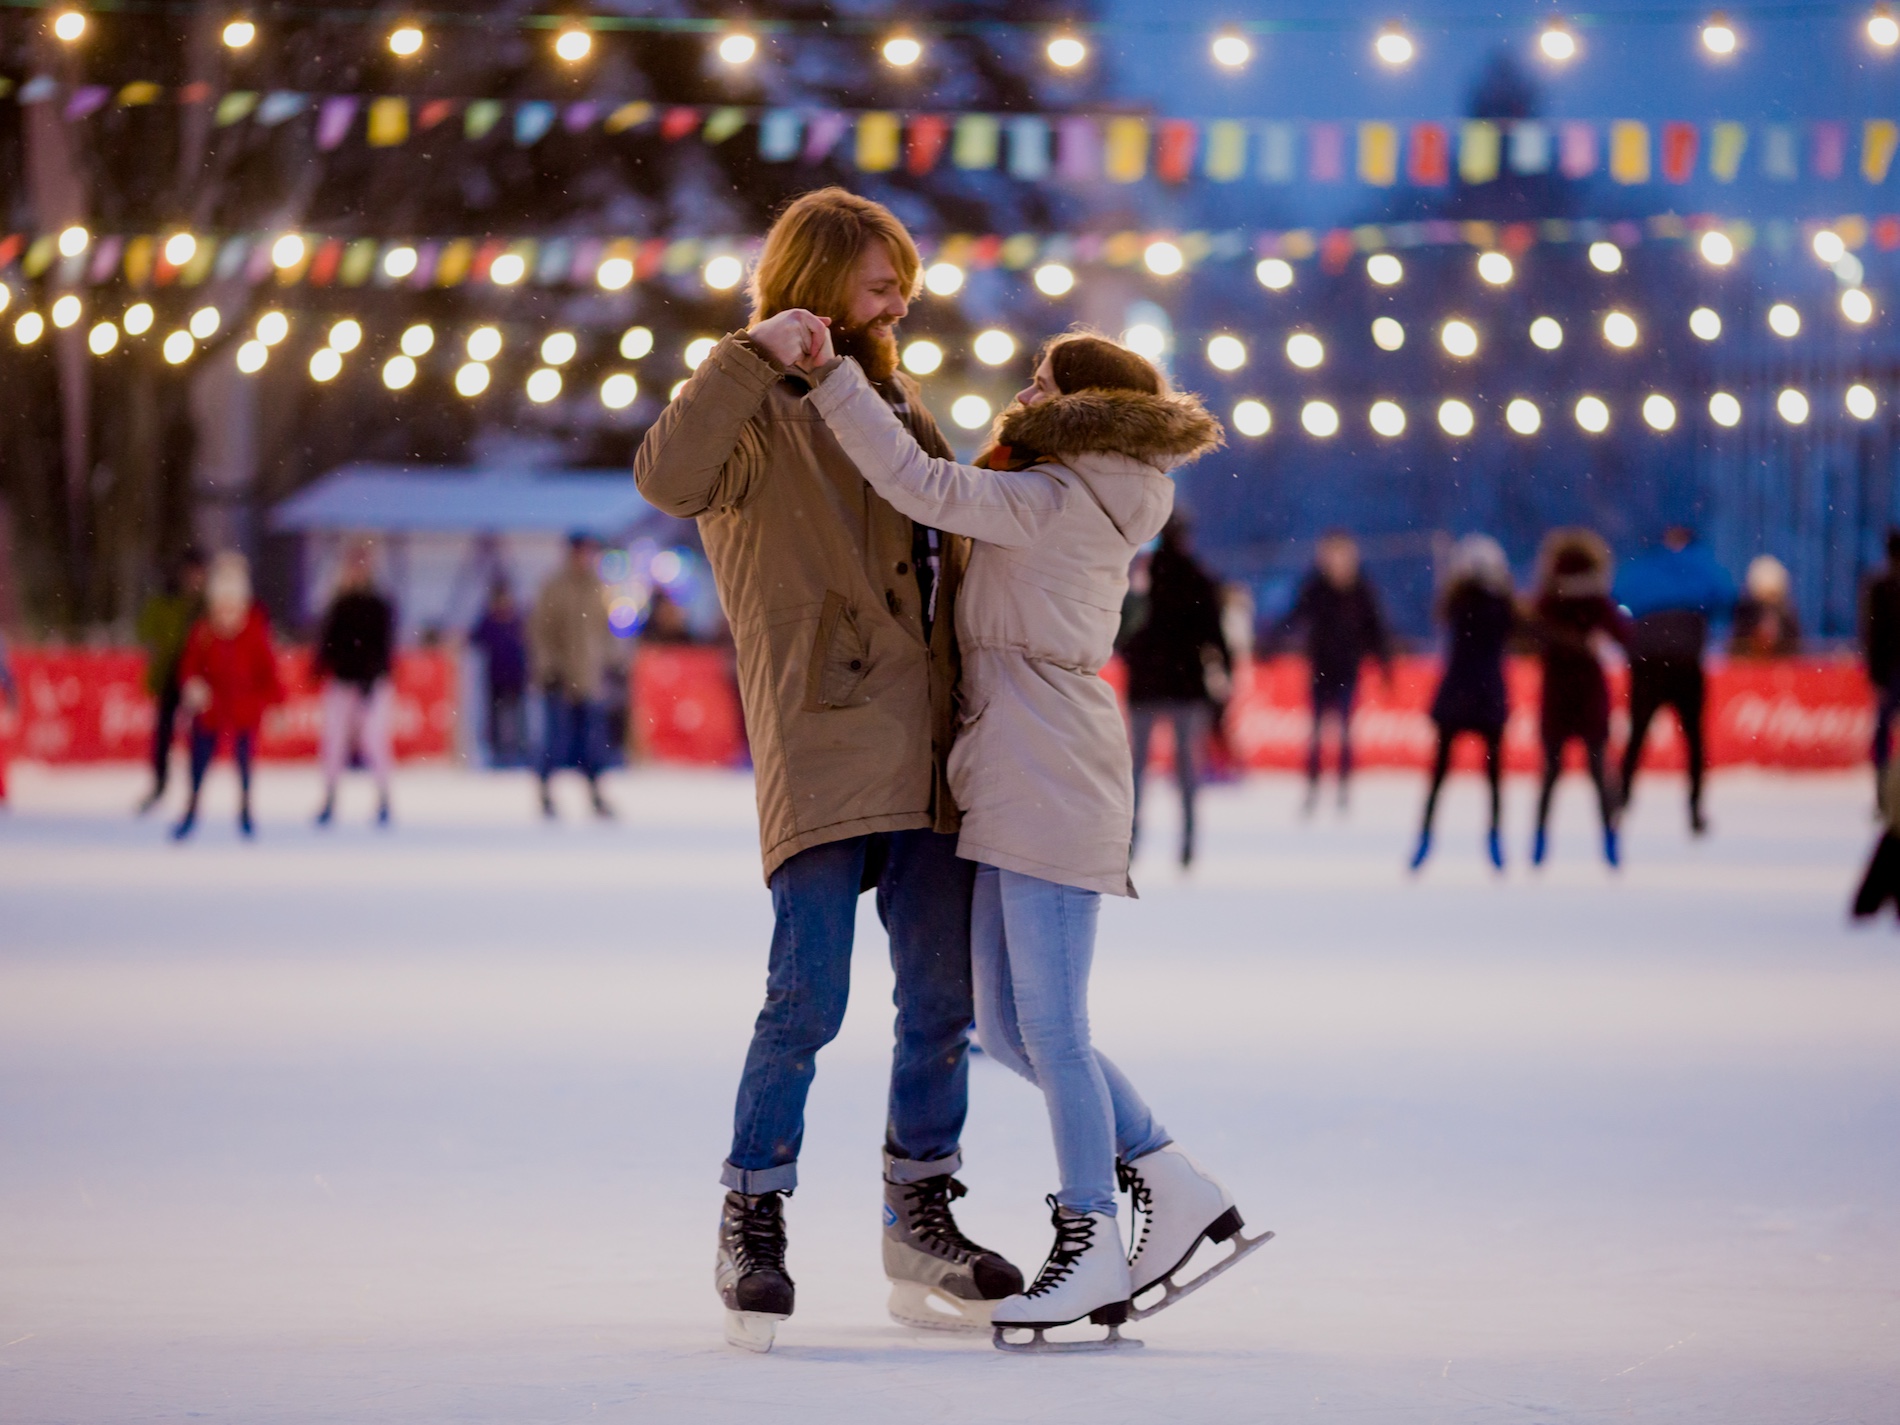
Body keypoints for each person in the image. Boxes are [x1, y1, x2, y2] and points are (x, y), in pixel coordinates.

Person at [804, 322, 1255, 1346]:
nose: (1020, 392)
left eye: (1042, 383)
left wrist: (831, 378)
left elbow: (920, 484)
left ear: (1080, 408)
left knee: (1050, 1027)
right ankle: (1171, 1181)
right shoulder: (1069, 486)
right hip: (1021, 761)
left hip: (1048, 768)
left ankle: (1091, 1233)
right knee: (1006, 1029)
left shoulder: (1054, 499)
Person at [634, 188, 1022, 1350]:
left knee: (941, 1003)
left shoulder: (895, 399)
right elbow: (665, 476)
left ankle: (921, 1216)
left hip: (926, 741)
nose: (900, 298)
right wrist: (746, 355)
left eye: (902, 277)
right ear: (813, 277)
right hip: (821, 728)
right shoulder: (750, 411)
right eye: (880, 278)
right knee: (807, 998)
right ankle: (752, 1214)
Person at [1120, 516, 1231, 867]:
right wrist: (1225, 677)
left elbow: (1121, 630)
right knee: (1186, 770)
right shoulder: (1199, 578)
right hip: (1187, 686)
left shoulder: (1142, 579)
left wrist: (1138, 658)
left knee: (1137, 769)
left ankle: (1131, 840)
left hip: (1146, 686)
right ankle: (1188, 840)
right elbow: (1216, 635)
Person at [1614, 527, 1737, 836]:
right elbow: (1726, 598)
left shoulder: (1643, 566)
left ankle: (1621, 802)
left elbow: (1617, 596)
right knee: (1694, 740)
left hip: (1647, 660)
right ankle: (1695, 811)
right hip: (1685, 660)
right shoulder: (1701, 565)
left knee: (1637, 735)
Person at [1411, 535, 1517, 872]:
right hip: (1485, 697)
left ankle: (1426, 839)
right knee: (1492, 778)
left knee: (1441, 776)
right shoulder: (1498, 606)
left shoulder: (1458, 603)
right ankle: (1494, 840)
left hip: (1458, 696)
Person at [1528, 529, 1629, 868]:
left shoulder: (1548, 600)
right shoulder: (1597, 601)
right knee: (1599, 770)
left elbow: (1529, 635)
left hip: (1557, 691)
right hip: (1588, 691)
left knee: (1551, 772)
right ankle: (1610, 840)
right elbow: (1625, 634)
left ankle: (1540, 841)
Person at [1276, 532, 1393, 813]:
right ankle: (1313, 787)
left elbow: (1375, 628)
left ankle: (1343, 788)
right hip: (1321, 669)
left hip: (1347, 669)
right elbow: (1296, 615)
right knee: (1316, 733)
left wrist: (1384, 662)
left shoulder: (1361, 589)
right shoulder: (1316, 587)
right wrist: (1274, 639)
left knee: (1344, 732)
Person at [172, 551, 281, 841]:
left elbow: (267, 670)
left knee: (244, 760)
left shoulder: (254, 630)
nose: (227, 613)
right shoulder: (204, 631)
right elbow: (190, 665)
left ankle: (245, 808)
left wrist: (276, 702)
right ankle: (192, 807)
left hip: (244, 708)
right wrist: (193, 686)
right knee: (199, 760)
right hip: (210, 710)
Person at [530, 534, 615, 820]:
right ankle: (545, 792)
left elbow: (604, 631)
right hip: (561, 679)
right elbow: (541, 632)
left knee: (592, 743)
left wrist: (612, 662)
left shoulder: (596, 587)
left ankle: (595, 794)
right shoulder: (554, 587)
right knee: (557, 740)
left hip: (589, 679)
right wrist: (549, 669)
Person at [313, 546, 397, 827]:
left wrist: (371, 678)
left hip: (371, 683)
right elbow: (327, 642)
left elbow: (383, 647)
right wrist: (320, 666)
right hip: (342, 681)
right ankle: (330, 796)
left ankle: (384, 797)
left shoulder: (377, 605)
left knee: (374, 741)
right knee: (334, 742)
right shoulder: (339, 604)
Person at [134, 549, 206, 814]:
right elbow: (147, 630)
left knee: (198, 735)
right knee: (164, 733)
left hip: (197, 677)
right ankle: (161, 783)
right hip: (170, 674)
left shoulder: (204, 605)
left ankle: (194, 787)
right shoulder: (168, 600)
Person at [468, 580, 528, 766]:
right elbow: (474, 638)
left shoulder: (517, 620)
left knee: (517, 716)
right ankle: (496, 751)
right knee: (495, 716)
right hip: (496, 677)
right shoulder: (490, 621)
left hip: (515, 676)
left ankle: (518, 750)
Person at [1861, 530, 1900, 810]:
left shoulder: (1880, 586)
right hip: (1890, 671)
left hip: (1889, 672)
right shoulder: (1880, 586)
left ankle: (1884, 796)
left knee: (1882, 735)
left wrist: (1875, 673)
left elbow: (1872, 633)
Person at [1730, 555, 1802, 658]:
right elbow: (1737, 652)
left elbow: (1795, 652)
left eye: (1772, 595)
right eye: (1764, 597)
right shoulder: (1745, 615)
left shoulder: (1787, 617)